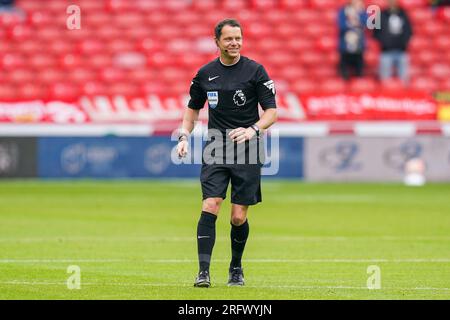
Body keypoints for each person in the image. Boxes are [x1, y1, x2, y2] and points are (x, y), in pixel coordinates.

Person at [176, 19, 277, 287]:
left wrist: (253, 130)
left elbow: (272, 112)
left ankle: (235, 266)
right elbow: (192, 108)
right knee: (210, 205)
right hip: (216, 146)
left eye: (238, 38)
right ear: (217, 42)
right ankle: (203, 272)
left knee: (237, 216)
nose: (235, 43)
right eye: (229, 39)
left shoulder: (256, 71)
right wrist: (184, 136)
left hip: (248, 148)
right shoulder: (205, 73)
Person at [373, 0, 413, 84]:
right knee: (385, 78)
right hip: (386, 50)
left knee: (404, 79)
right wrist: (384, 42)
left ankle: (406, 96)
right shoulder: (382, 14)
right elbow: (376, 31)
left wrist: (404, 42)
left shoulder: (403, 14)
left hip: (401, 50)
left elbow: (408, 30)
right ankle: (384, 95)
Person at [338, 0, 368, 79]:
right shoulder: (344, 11)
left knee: (359, 70)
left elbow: (366, 23)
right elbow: (341, 25)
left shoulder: (362, 12)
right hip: (346, 45)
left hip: (358, 45)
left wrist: (357, 18)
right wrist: (352, 24)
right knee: (344, 71)